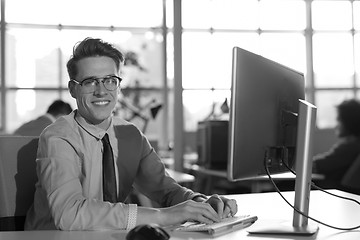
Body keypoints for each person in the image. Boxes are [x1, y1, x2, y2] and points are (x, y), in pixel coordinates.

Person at [24, 37, 237, 231]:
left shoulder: (130, 135)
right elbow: (69, 215)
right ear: (73, 89)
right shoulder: (58, 137)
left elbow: (165, 189)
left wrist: (201, 202)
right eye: (90, 82)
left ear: (118, 86)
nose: (101, 91)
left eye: (110, 80)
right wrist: (163, 216)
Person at [313, 99, 360, 190]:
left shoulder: (349, 147)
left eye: (339, 120)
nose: (336, 126)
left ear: (349, 122)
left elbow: (315, 166)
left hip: (333, 191)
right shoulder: (354, 144)